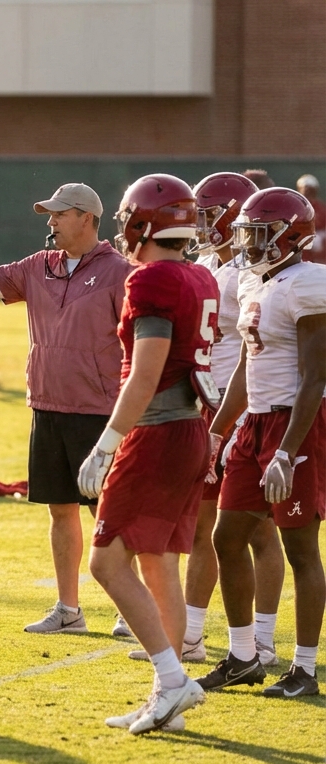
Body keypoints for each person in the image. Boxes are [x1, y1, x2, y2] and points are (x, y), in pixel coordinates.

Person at [0, 183, 134, 636]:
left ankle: (129, 608)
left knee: (108, 511)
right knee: (60, 510)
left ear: (87, 219)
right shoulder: (40, 265)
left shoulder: (120, 271)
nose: (51, 221)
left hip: (100, 411)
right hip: (47, 405)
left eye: (60, 214)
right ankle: (68, 609)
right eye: (50, 214)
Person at [74, 174, 215, 734]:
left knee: (106, 560)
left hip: (156, 431)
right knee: (158, 563)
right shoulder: (197, 273)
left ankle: (174, 680)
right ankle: (167, 693)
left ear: (140, 222)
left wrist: (107, 443)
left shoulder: (152, 279)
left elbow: (148, 371)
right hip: (188, 428)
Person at [133, 172, 284, 668]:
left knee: (255, 529)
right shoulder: (202, 265)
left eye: (205, 214)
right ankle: (193, 634)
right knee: (202, 524)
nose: (196, 223)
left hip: (244, 408)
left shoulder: (253, 270)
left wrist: (231, 413)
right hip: (206, 408)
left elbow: (254, 346)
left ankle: (263, 639)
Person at [199, 186, 326, 698]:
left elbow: (315, 378)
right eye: (246, 232)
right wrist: (219, 430)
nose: (249, 243)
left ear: (289, 235)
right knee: (226, 538)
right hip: (254, 423)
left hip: (294, 425)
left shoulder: (309, 283)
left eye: (259, 233)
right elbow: (248, 369)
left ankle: (306, 669)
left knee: (301, 550)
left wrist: (285, 451)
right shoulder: (253, 284)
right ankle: (243, 656)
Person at [295, 175, 326, 264]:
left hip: (318, 241)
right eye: (305, 189)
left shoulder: (320, 207)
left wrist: (320, 236)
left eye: (310, 190)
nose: (308, 192)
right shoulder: (297, 206)